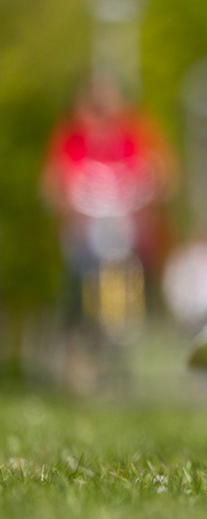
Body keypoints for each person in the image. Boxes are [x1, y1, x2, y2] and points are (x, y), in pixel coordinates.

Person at [40, 75, 176, 390]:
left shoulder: (136, 132)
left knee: (130, 277)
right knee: (79, 280)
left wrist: (152, 185)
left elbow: (164, 173)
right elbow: (51, 184)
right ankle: (79, 343)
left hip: (125, 234)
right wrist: (66, 197)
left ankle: (127, 345)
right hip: (84, 233)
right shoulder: (71, 137)